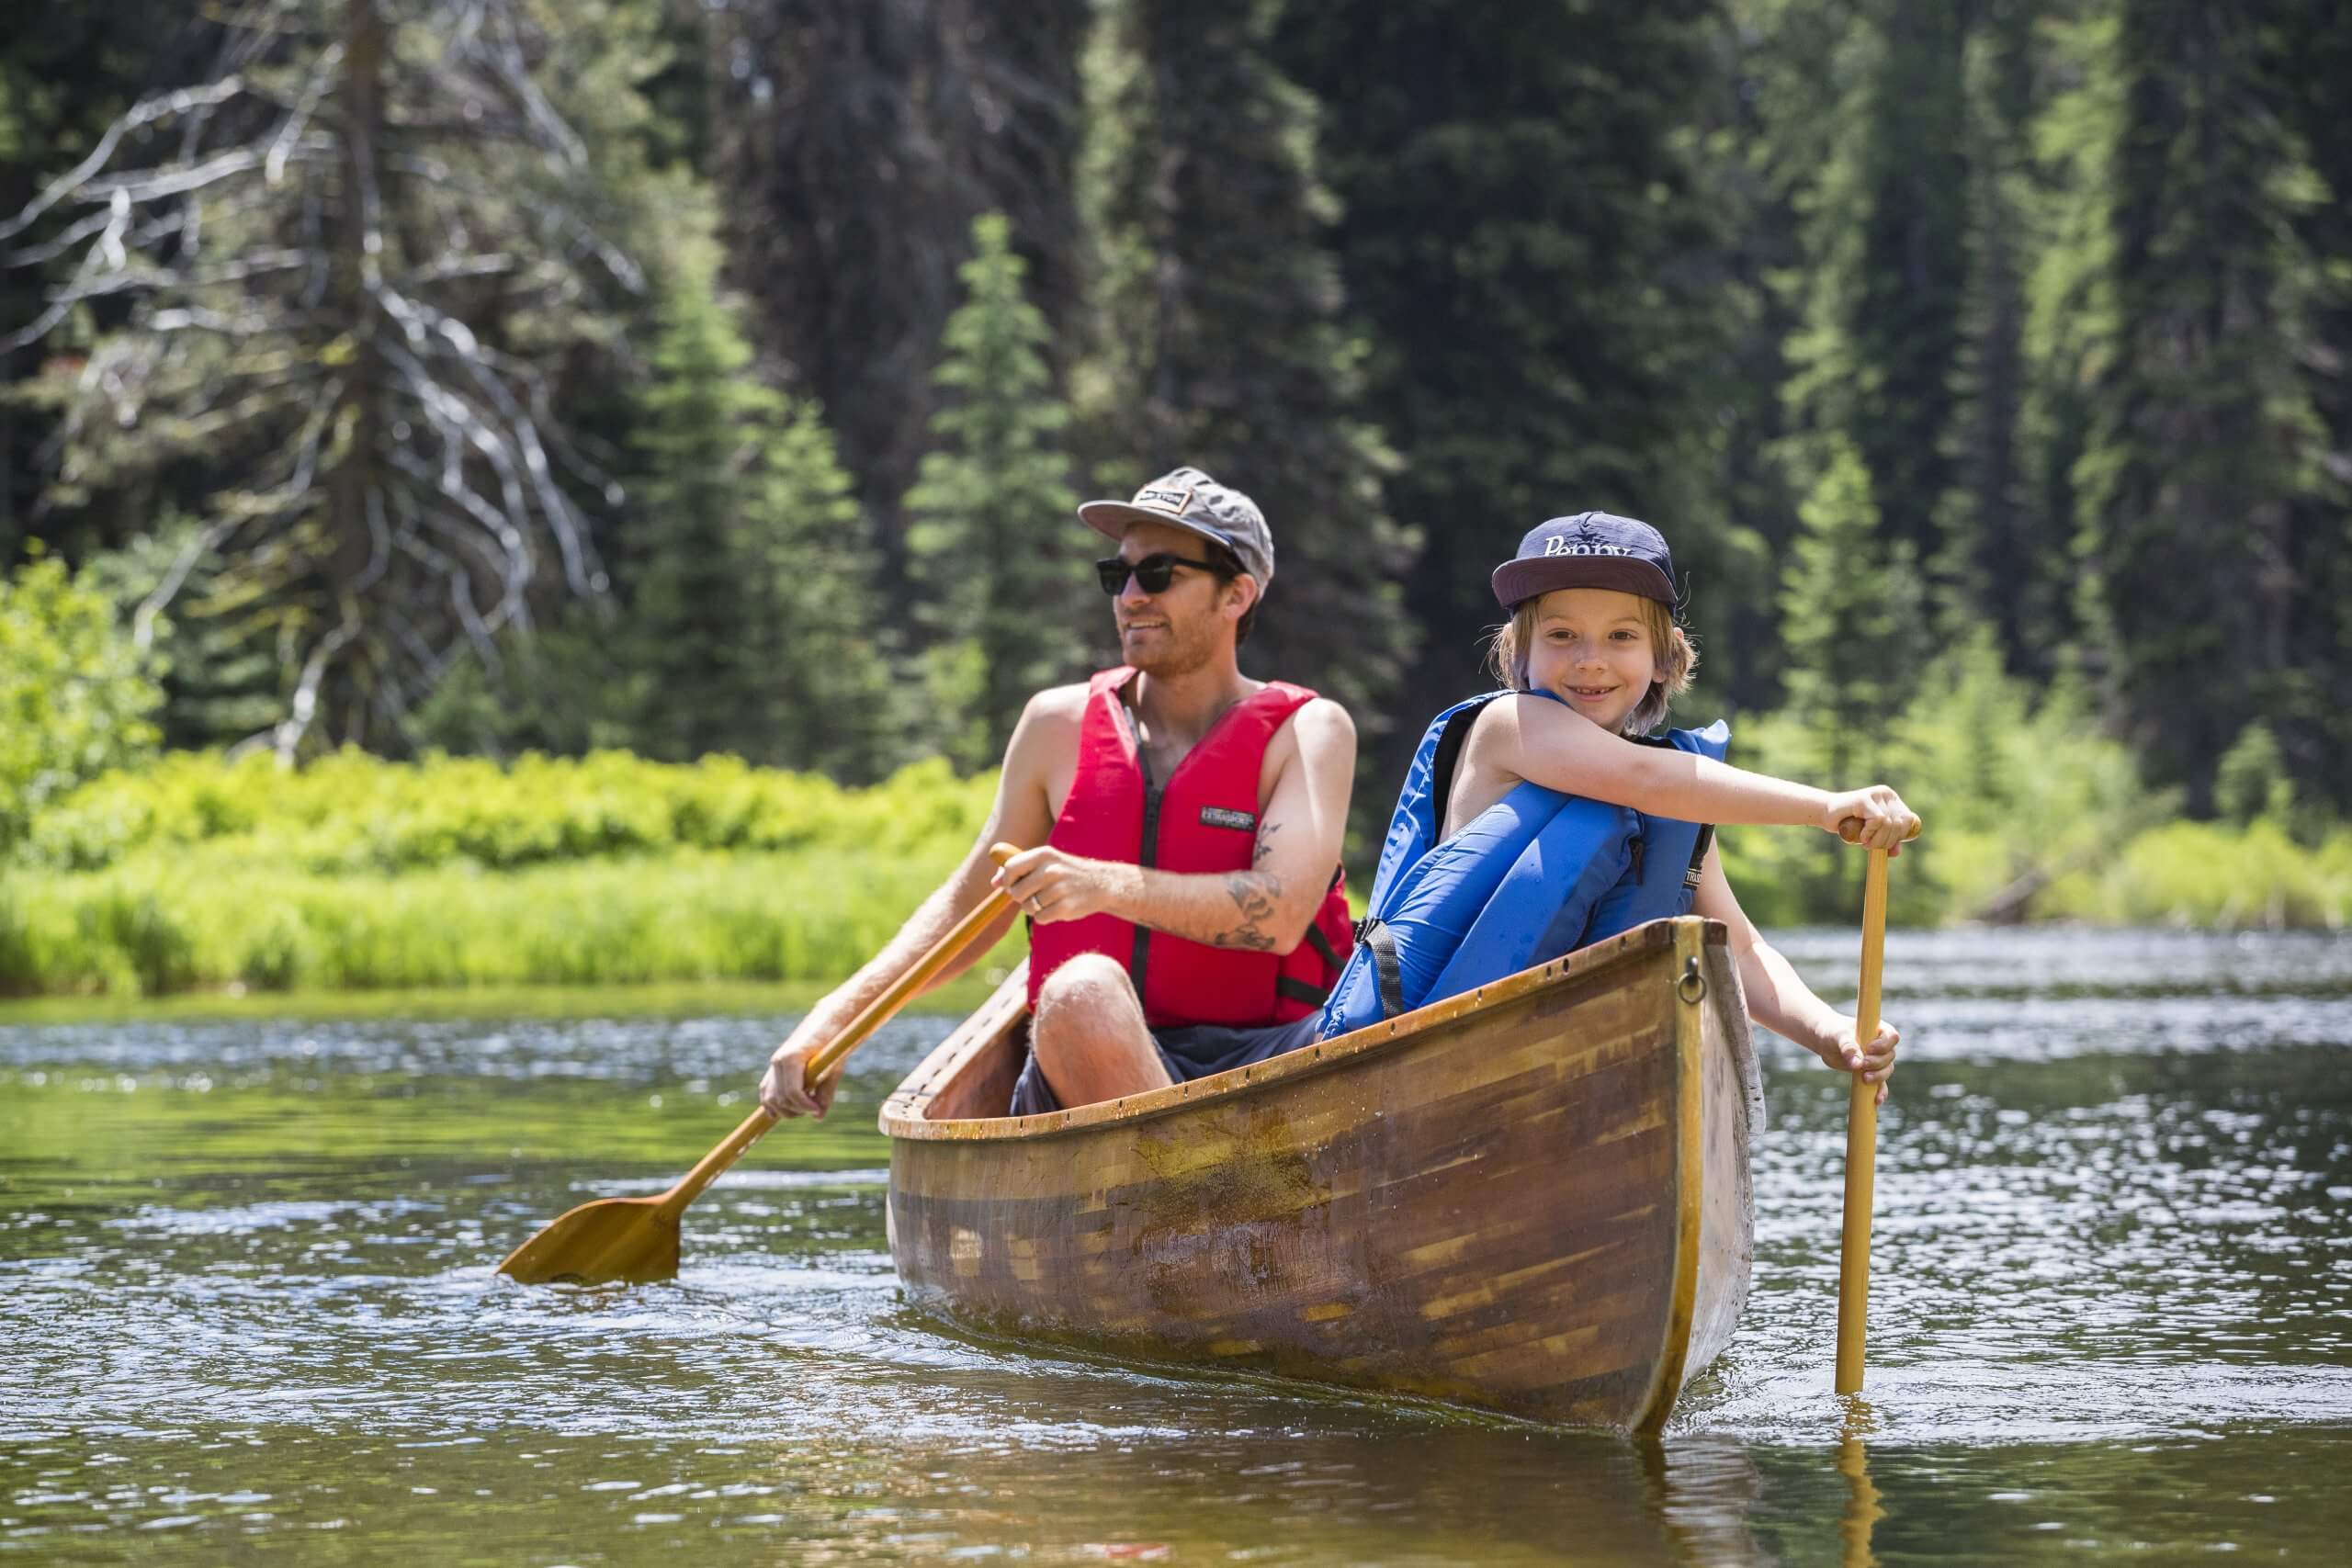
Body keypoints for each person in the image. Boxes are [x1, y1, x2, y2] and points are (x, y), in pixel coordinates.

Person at [757, 467, 1357, 1122]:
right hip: (1091, 1063)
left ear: (1236, 594)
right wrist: (833, 1017)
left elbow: (1277, 917)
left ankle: (1191, 1192)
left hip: (1273, 1061)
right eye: (1117, 574)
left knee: (1085, 990)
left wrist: (1103, 884)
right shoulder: (1055, 725)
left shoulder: (1307, 731)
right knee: (1079, 993)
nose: (1130, 596)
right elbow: (968, 906)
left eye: (1158, 574)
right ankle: (1204, 1195)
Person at [1319, 512, 1916, 1101]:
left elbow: (1742, 948)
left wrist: (1828, 1030)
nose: (1590, 659)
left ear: (1664, 656)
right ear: (1517, 652)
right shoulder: (1510, 728)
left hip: (1579, 1086)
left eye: (1621, 636)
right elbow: (1642, 776)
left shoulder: (1675, 797)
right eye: (1560, 635)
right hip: (1438, 1077)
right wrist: (1826, 807)